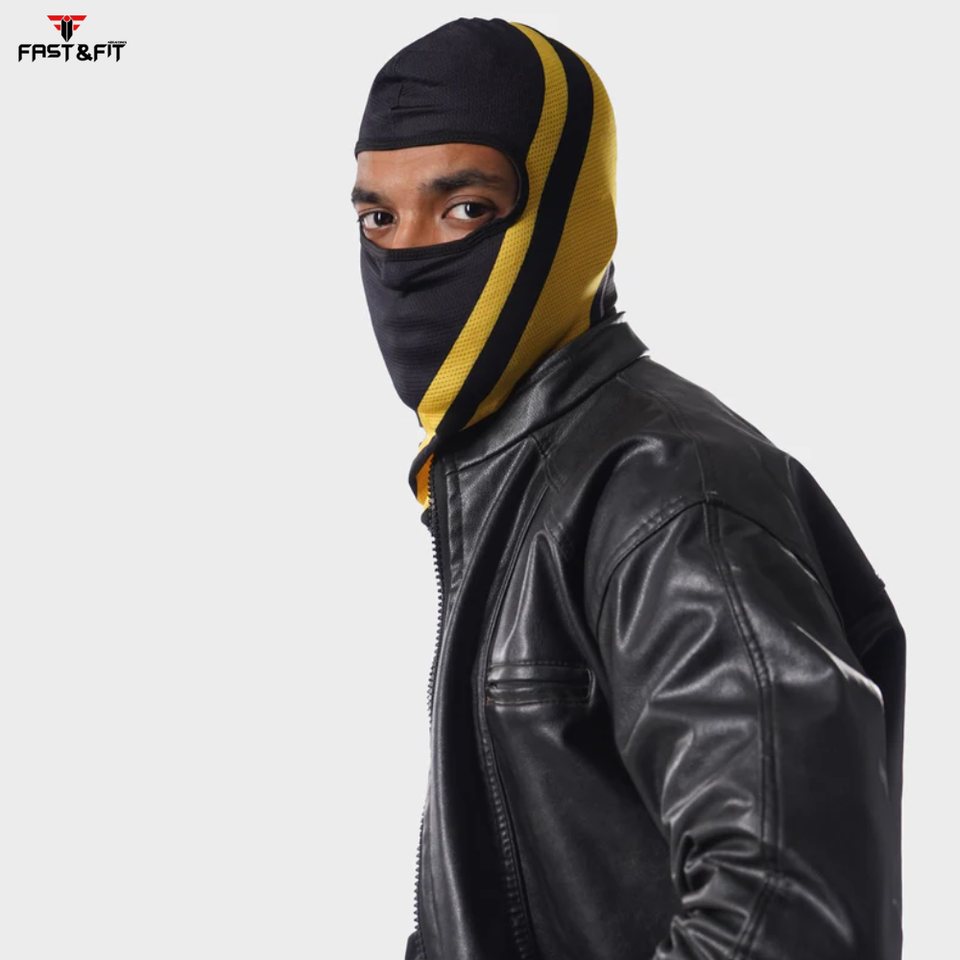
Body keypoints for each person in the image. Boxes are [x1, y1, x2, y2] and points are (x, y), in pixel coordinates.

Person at [352, 17, 906, 960]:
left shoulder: (666, 492)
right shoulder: (517, 478)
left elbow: (786, 923)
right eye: (378, 218)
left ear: (573, 217)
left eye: (465, 208)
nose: (406, 258)